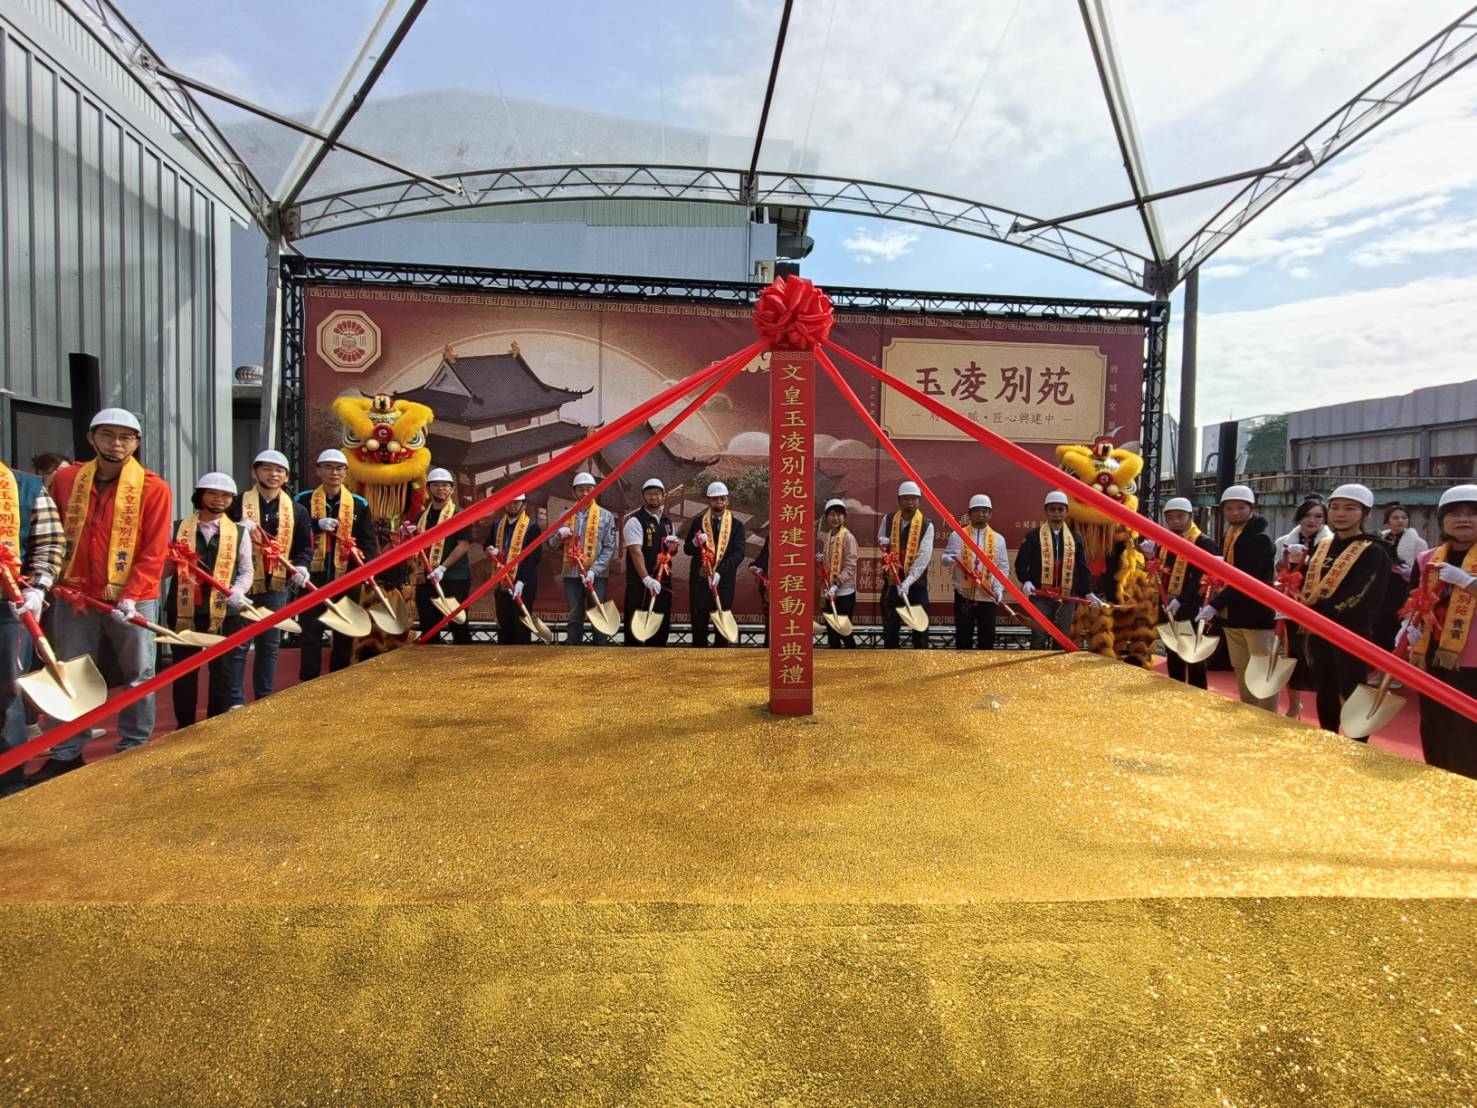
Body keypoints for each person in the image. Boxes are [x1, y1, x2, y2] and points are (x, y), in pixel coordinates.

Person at [34, 408, 171, 780]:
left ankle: (134, 747)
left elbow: (155, 549)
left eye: (126, 437)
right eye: (108, 435)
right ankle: (66, 751)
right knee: (71, 671)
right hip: (75, 594)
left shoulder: (153, 487)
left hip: (132, 597)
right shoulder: (66, 480)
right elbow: (50, 532)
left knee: (139, 673)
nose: (116, 444)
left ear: (136, 443)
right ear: (90, 438)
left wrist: (132, 594)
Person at [1298, 484, 1389, 734]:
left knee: (1352, 691)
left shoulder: (1374, 551)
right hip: (1317, 630)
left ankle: (1357, 744)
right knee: (1325, 688)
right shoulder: (1323, 545)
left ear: (1364, 513)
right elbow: (1309, 583)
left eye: (1350, 508)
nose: (1340, 514)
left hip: (1350, 632)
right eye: (1335, 507)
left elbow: (1359, 594)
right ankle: (1328, 736)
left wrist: (1315, 612)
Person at [165, 473, 254, 726]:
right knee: (184, 670)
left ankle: (216, 725)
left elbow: (246, 570)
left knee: (222, 670)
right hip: (183, 609)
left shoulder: (239, 532)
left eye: (226, 495)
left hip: (225, 611)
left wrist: (239, 590)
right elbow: (164, 569)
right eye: (212, 493)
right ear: (200, 496)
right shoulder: (176, 528)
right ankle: (184, 726)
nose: (219, 499)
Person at [0, 456, 64, 795]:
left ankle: (8, 779)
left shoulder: (26, 488)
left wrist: (37, 588)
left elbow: (49, 542)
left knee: (7, 689)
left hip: (7, 608)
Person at [1404, 484, 1477, 778]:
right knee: (1434, 724)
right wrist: (1407, 626)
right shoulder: (1428, 558)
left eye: (1473, 513)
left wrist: (1468, 582)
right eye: (1455, 514)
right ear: (1442, 520)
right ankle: (1436, 780)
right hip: (1431, 654)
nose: (1464, 519)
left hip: (1472, 660)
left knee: (1467, 729)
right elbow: (1413, 598)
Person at [228, 449, 311, 705]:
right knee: (239, 642)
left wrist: (302, 566)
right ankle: (235, 699)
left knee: (270, 643)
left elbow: (304, 546)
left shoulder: (296, 510)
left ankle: (263, 698)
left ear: (286, 477)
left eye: (279, 471)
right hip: (242, 584)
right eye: (266, 469)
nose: (273, 474)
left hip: (277, 583)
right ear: (254, 473)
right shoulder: (236, 504)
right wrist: (235, 529)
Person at [294, 448, 375, 681]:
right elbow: (294, 534)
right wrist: (316, 524)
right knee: (311, 631)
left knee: (344, 632)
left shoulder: (358, 503)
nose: (334, 473)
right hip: (312, 577)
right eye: (328, 467)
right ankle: (308, 681)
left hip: (347, 578)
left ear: (346, 472)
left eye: (339, 468)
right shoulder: (302, 500)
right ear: (318, 470)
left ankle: (338, 680)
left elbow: (368, 541)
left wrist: (365, 570)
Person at [1198, 485, 1278, 711]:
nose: (1234, 513)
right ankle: (1249, 708)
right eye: (1229, 508)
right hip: (1233, 615)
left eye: (1240, 508)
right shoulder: (1232, 535)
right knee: (1241, 667)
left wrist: (1214, 605)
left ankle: (1268, 715)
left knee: (1262, 668)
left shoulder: (1260, 539)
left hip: (1256, 615)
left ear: (1251, 508)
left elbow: (1245, 578)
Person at [1141, 497, 1220, 688]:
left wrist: (1181, 600)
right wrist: (1149, 557)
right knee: (1173, 651)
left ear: (1190, 517)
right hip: (1167, 604)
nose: (1175, 521)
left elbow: (1203, 577)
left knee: (1193, 655)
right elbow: (1157, 572)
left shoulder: (1203, 542)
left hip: (1192, 606)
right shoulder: (1163, 542)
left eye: (1180, 516)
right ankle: (1175, 689)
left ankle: (1197, 692)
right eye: (1170, 518)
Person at [1275, 498, 1333, 718]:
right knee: (1292, 654)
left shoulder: (1331, 544)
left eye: (1318, 516)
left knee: (1321, 658)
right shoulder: (1284, 542)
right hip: (1291, 606)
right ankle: (1294, 706)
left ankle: (1328, 711)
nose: (1312, 520)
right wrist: (1289, 562)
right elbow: (1278, 574)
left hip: (1320, 608)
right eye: (1308, 515)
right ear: (1299, 517)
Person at [1015, 489, 1093, 649]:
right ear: (1046, 511)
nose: (1056, 512)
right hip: (1040, 595)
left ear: (1066, 512)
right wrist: (1026, 580)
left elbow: (1082, 567)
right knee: (1039, 635)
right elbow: (1021, 563)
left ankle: (1058, 666)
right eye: (1052, 509)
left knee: (1062, 637)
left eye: (1060, 509)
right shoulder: (1033, 536)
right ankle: (1036, 665)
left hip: (1066, 597)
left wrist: (1088, 592)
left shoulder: (1075, 538)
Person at [547, 472, 616, 645]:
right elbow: (552, 544)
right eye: (580, 489)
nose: (585, 493)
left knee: (598, 613)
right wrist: (558, 537)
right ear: (573, 492)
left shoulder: (606, 516)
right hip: (571, 574)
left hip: (597, 576)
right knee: (574, 614)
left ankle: (600, 650)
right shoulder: (565, 516)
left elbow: (609, 548)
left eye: (589, 489)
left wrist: (594, 571)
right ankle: (573, 647)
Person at [412, 468, 473, 645]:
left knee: (459, 627)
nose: (441, 489)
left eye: (445, 485)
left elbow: (463, 545)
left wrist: (442, 568)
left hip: (454, 578)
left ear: (452, 489)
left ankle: (463, 662)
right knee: (428, 628)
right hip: (426, 580)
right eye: (436, 485)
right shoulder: (422, 516)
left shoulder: (460, 514)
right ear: (428, 488)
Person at [942, 493, 1009, 650]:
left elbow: (1003, 567)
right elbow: (944, 558)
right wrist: (950, 559)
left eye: (985, 511)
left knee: (987, 640)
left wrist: (999, 589)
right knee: (963, 638)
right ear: (969, 513)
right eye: (977, 510)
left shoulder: (999, 539)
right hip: (964, 596)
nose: (981, 514)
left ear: (990, 514)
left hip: (988, 596)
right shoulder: (957, 535)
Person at [684, 481, 746, 648]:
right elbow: (687, 550)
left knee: (722, 624)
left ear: (728, 500)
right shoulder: (698, 522)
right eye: (715, 499)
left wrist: (719, 572)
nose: (719, 502)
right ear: (708, 501)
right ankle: (698, 656)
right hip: (700, 580)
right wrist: (695, 543)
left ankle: (721, 657)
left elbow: (739, 554)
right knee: (699, 622)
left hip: (724, 582)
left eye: (722, 499)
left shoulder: (737, 525)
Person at [621, 478, 680, 647]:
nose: (654, 497)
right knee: (635, 629)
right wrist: (646, 578)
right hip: (640, 584)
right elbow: (635, 552)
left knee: (660, 627)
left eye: (657, 493)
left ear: (663, 496)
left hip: (663, 582)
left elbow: (672, 552)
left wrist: (673, 547)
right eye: (649, 493)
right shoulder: (635, 521)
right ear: (642, 496)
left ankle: (658, 658)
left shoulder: (668, 522)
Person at [878, 480, 934, 649]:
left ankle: (919, 661)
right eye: (906, 498)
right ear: (899, 500)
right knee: (890, 628)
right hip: (892, 582)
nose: (910, 502)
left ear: (919, 501)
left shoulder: (926, 524)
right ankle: (891, 661)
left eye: (914, 498)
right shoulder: (888, 519)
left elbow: (923, 557)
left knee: (920, 631)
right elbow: (881, 540)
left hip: (916, 585)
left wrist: (908, 581)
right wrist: (883, 543)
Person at [485, 492, 542, 644]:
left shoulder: (532, 528)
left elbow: (533, 557)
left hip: (523, 584)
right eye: (509, 502)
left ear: (524, 505)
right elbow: (487, 543)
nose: (512, 506)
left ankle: (522, 656)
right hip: (502, 583)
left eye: (516, 503)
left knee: (521, 625)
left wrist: (521, 581)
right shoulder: (497, 525)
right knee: (504, 623)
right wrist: (490, 549)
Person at [1374, 502, 1428, 651]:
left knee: (1396, 625)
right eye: (1395, 518)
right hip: (1381, 587)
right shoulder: (1380, 539)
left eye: (1404, 517)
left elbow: (1423, 571)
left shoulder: (1417, 542)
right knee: (1378, 624)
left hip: (1402, 588)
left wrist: (1409, 573)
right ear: (1387, 520)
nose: (1400, 521)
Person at [817, 498, 858, 649]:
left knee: (844, 632)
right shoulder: (829, 535)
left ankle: (852, 660)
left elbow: (851, 564)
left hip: (844, 591)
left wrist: (837, 583)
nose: (835, 518)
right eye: (832, 514)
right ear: (826, 517)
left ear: (844, 517)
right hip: (829, 590)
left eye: (839, 515)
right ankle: (835, 660)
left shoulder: (848, 537)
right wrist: (821, 559)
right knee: (832, 632)